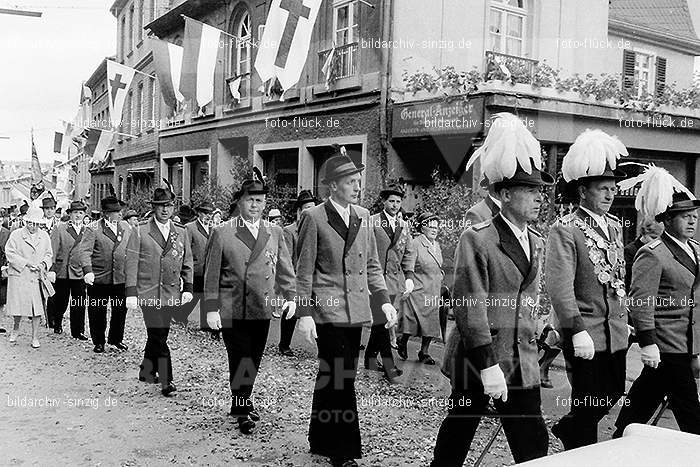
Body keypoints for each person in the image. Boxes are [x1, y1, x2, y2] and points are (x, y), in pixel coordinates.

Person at [433, 112, 551, 466]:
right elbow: (471, 306)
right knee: (460, 430)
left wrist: (546, 328)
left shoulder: (537, 240)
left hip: (522, 357)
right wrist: (487, 366)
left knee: (532, 442)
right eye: (528, 190)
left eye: (539, 191)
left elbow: (526, 302)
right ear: (504, 194)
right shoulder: (479, 238)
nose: (538, 198)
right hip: (478, 356)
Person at [296, 148, 397, 467]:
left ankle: (318, 436)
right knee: (341, 377)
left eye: (358, 180)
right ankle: (343, 450)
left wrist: (383, 301)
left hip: (355, 309)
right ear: (333, 186)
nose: (357, 186)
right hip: (327, 310)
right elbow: (304, 270)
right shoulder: (313, 218)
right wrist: (304, 314)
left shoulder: (364, 216)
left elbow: (371, 265)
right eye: (350, 181)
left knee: (336, 373)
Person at [546, 129, 629, 450]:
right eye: (602, 189)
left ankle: (569, 429)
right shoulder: (565, 229)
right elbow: (559, 286)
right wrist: (575, 329)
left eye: (612, 189)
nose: (610, 195)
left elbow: (616, 279)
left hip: (615, 332)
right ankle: (578, 451)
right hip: (585, 332)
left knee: (611, 394)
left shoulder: (614, 227)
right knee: (588, 401)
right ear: (583, 191)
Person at [204, 169, 296, 433]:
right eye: (249, 200)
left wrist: (290, 297)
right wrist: (210, 309)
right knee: (240, 357)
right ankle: (243, 407)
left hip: (261, 306)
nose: (254, 205)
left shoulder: (274, 231)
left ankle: (238, 400)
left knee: (254, 358)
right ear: (240, 202)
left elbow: (285, 268)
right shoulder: (223, 232)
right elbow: (211, 274)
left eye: (259, 200)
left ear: (265, 203)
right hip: (232, 307)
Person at [613, 166, 700, 436]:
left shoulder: (696, 250)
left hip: (686, 341)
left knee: (646, 394)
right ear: (667, 220)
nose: (692, 222)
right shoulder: (653, 254)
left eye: (694, 217)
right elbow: (641, 301)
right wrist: (648, 343)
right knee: (689, 408)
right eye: (684, 217)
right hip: (665, 343)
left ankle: (620, 435)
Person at [126, 185, 193, 397]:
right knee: (158, 335)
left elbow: (187, 261)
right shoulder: (140, 231)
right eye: (161, 206)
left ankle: (146, 371)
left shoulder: (181, 232)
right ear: (154, 208)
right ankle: (167, 380)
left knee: (159, 333)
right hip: (149, 292)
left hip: (170, 291)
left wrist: (188, 286)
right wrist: (131, 292)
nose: (165, 210)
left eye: (169, 205)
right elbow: (131, 262)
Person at [365, 183, 410, 381]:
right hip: (376, 280)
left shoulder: (404, 225)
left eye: (398, 201)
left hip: (394, 280)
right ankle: (389, 366)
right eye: (391, 201)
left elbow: (407, 253)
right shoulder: (372, 221)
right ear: (384, 202)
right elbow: (365, 251)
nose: (394, 205)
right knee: (383, 320)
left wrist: (409, 277)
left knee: (381, 322)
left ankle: (368, 358)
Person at [79, 196, 131, 354]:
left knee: (120, 311)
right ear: (107, 214)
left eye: (120, 211)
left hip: (120, 278)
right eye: (116, 212)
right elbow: (84, 251)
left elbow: (132, 250)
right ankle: (98, 341)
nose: (120, 214)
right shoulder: (93, 228)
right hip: (99, 278)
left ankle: (116, 339)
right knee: (97, 311)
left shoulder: (126, 227)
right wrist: (88, 271)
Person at [397, 212, 444, 365]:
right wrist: (408, 284)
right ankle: (403, 340)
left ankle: (424, 352)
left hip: (433, 289)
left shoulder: (436, 245)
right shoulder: (416, 243)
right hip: (418, 288)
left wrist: (441, 274)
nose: (434, 230)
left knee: (431, 322)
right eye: (430, 226)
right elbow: (409, 265)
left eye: (436, 227)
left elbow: (438, 264)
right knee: (413, 321)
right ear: (422, 228)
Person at [5, 207, 53, 348]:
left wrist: (43, 264)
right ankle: (16, 328)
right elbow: (10, 253)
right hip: (20, 274)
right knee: (18, 306)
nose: (33, 227)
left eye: (36, 224)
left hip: (36, 276)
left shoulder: (44, 236)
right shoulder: (16, 234)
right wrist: (25, 263)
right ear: (26, 222)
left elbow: (49, 254)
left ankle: (35, 336)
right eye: (31, 223)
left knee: (36, 308)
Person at [279, 190, 317, 357]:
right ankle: (284, 344)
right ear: (299, 211)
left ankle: (322, 347)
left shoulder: (317, 227)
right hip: (295, 277)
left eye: (313, 208)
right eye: (307, 208)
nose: (310, 212)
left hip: (314, 277)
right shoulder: (289, 231)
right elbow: (286, 258)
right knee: (291, 311)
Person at [47, 201, 89, 339]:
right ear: (70, 214)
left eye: (81, 213)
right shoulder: (60, 228)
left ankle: (78, 331)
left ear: (84, 215)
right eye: (75, 212)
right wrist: (51, 269)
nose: (78, 215)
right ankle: (57, 323)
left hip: (79, 272)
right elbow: (52, 250)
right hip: (63, 271)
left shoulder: (88, 230)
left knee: (79, 302)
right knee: (61, 300)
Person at [177, 201, 215, 336]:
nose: (208, 216)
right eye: (205, 213)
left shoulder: (213, 228)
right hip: (195, 269)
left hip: (209, 270)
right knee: (193, 295)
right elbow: (185, 249)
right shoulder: (190, 228)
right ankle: (179, 316)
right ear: (199, 213)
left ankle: (205, 325)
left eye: (210, 213)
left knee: (206, 296)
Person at [623, 218, 664, 289]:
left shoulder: (660, 250)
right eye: (653, 238)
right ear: (643, 233)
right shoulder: (630, 250)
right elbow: (628, 278)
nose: (656, 242)